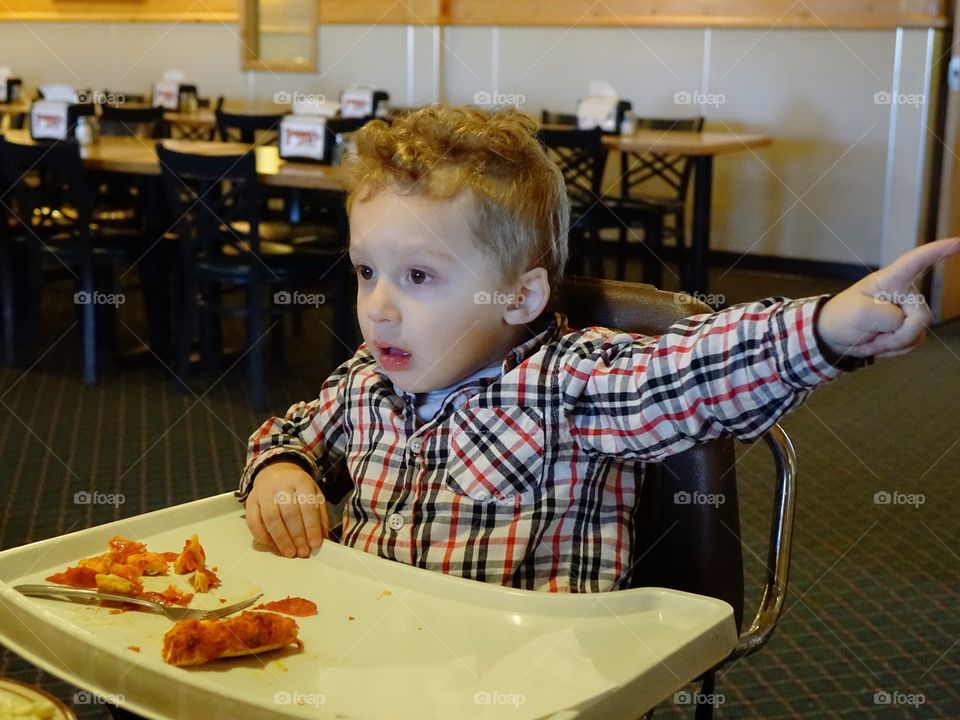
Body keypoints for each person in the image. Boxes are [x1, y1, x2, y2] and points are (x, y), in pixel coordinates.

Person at [237, 105, 960, 593]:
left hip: (531, 679)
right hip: (376, 659)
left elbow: (690, 376)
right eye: (368, 271)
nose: (378, 306)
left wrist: (828, 326)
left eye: (419, 276)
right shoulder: (367, 382)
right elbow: (292, 430)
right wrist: (280, 471)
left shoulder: (571, 384)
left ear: (519, 298)